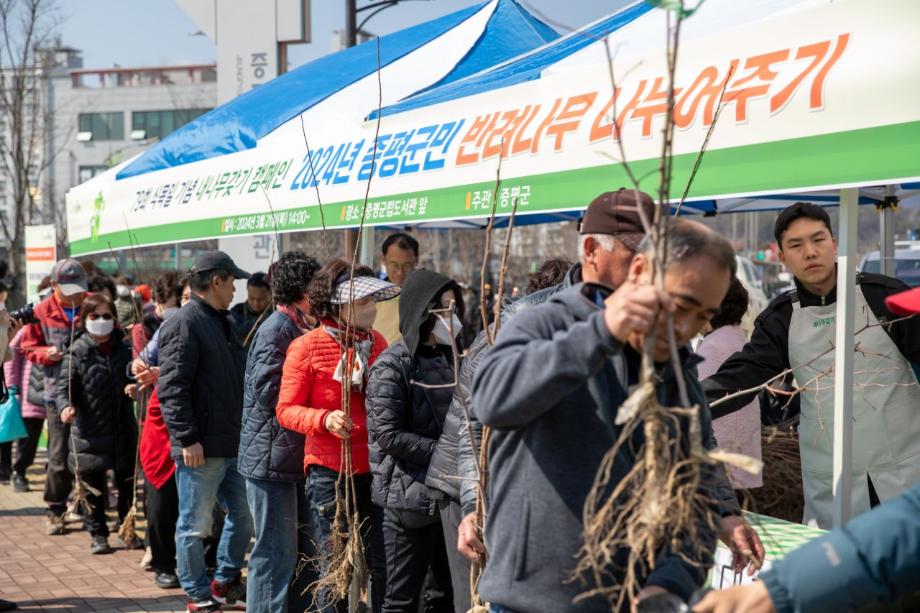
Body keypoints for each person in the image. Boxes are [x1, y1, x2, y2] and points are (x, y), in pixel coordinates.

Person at [448, 191, 756, 577]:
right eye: (637, 256)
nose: (648, 271)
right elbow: (480, 416)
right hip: (539, 563)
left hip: (623, 562)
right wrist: (474, 503)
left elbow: (694, 436)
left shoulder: (665, 338)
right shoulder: (530, 319)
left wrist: (724, 511)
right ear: (592, 249)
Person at [694, 283, 920, 612]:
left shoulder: (877, 297)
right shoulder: (783, 317)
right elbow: (884, 539)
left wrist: (776, 592)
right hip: (835, 493)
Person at [702, 202, 920, 528]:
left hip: (905, 471)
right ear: (782, 256)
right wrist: (684, 403)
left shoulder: (883, 298)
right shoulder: (781, 318)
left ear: (834, 243)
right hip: (831, 482)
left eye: (818, 240)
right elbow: (742, 377)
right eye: (796, 245)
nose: (810, 252)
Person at [425, 259, 570, 613]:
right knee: (473, 593)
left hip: (493, 484)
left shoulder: (539, 333)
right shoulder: (505, 337)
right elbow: (473, 429)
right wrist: (474, 505)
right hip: (463, 482)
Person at [276, 259, 399, 613]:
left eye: (372, 300)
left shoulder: (377, 342)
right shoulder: (306, 347)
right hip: (329, 472)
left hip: (374, 468)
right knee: (335, 569)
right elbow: (285, 409)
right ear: (336, 304)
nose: (370, 308)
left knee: (382, 562)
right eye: (362, 301)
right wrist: (324, 418)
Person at [157, 251, 254, 613]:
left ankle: (224, 580)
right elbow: (172, 387)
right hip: (200, 446)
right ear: (216, 281)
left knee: (244, 517)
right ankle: (197, 593)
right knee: (194, 526)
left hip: (231, 442)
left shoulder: (223, 321)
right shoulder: (185, 322)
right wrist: (187, 437)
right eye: (232, 282)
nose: (235, 290)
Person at [367, 270, 464, 613]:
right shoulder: (393, 365)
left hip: (445, 497)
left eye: (455, 309)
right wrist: (445, 454)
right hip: (408, 498)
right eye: (444, 310)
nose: (452, 318)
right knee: (401, 599)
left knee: (444, 594)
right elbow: (388, 434)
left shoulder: (449, 359)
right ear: (424, 311)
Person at [238, 252, 321, 613]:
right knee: (274, 554)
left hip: (292, 457)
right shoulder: (277, 329)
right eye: (316, 286)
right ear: (301, 290)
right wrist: (315, 388)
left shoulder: (300, 326)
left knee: (303, 553)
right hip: (270, 460)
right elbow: (267, 389)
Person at [56, 293, 139, 554]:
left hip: (123, 429)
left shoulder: (125, 349)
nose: (101, 321)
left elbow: (136, 378)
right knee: (92, 489)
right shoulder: (77, 350)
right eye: (95, 316)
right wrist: (65, 407)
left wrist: (135, 388)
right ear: (84, 319)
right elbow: (63, 389)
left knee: (126, 485)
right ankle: (98, 534)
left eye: (106, 316)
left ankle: (127, 529)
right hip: (89, 432)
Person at [19, 258, 88, 535]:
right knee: (58, 454)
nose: (75, 296)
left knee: (89, 452)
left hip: (90, 391)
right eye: (68, 290)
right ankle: (56, 509)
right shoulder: (40, 311)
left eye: (79, 289)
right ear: (54, 285)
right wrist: (45, 353)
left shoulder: (92, 306)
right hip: (56, 392)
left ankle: (88, 505)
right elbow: (26, 347)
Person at [135, 274, 190, 590]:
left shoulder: (216, 325)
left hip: (198, 426)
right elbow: (137, 365)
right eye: (182, 300)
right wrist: (151, 371)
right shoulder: (163, 329)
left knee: (202, 511)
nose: (185, 306)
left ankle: (202, 565)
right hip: (163, 428)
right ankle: (163, 562)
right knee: (161, 504)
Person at [696, 277, 762, 492]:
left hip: (721, 469)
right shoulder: (738, 339)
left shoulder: (712, 347)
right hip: (744, 464)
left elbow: (699, 408)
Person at [2, 322, 48, 492]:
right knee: (28, 439)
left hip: (56, 390)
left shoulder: (66, 326)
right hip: (30, 391)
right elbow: (10, 357)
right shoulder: (28, 329)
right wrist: (11, 387)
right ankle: (19, 471)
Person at [375, 232, 419, 344]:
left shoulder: (425, 296)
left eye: (407, 265)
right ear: (384, 261)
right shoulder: (373, 296)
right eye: (394, 265)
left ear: (416, 262)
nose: (400, 272)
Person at [230, 271, 272, 347]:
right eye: (252, 298)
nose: (256, 304)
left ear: (270, 294)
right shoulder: (237, 311)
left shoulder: (277, 312)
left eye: (261, 299)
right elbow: (236, 331)